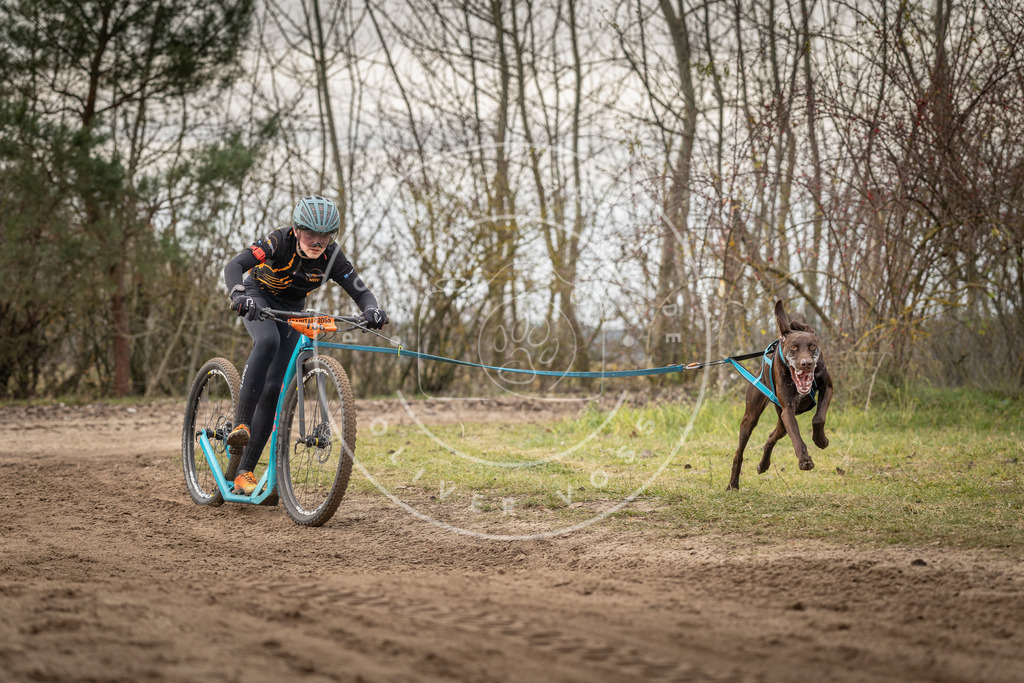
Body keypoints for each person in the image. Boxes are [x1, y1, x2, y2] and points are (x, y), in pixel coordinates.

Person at [222, 195, 388, 495]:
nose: (317, 241)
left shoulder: (332, 257)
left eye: (324, 236)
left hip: (293, 308)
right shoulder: (278, 241)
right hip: (258, 298)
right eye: (310, 234)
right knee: (268, 340)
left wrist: (372, 310)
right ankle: (241, 425)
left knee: (275, 387)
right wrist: (238, 294)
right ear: (297, 230)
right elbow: (235, 265)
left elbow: (361, 291)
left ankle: (244, 472)